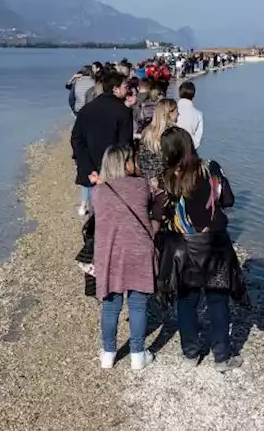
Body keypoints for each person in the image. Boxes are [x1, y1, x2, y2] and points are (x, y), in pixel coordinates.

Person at [156, 127, 245, 371]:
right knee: (217, 301)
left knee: (186, 302)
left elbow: (157, 213)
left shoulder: (167, 178)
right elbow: (228, 201)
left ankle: (191, 352)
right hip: (215, 244)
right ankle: (222, 357)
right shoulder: (211, 169)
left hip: (183, 248)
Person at [92, 146, 158, 370]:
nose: (136, 163)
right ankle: (138, 354)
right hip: (139, 251)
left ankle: (108, 353)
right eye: (132, 160)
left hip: (110, 253)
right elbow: (154, 201)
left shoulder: (98, 191)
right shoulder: (141, 186)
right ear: (124, 163)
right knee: (138, 305)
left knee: (111, 307)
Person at [71, 72, 134, 217]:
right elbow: (125, 144)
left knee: (96, 210)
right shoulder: (123, 112)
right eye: (125, 86)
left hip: (91, 167)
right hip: (114, 169)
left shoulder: (86, 109)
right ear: (115, 89)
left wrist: (86, 166)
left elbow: (76, 140)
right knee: (113, 212)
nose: (127, 89)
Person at [137, 99, 178, 191]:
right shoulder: (174, 133)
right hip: (168, 182)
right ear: (169, 113)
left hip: (148, 181)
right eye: (177, 111)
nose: (178, 114)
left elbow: (142, 159)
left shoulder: (146, 132)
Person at [175, 81, 204, 149]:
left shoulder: (171, 109)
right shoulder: (198, 114)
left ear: (179, 93)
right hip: (188, 149)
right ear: (194, 95)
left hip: (171, 147)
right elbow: (197, 139)